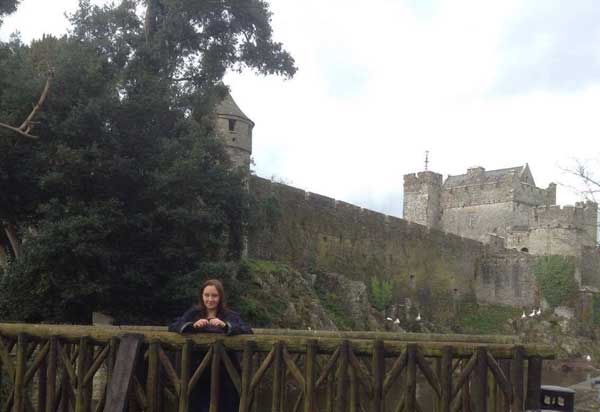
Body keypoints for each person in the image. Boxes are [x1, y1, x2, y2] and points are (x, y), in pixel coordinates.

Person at [169, 279, 252, 412]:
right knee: (197, 403)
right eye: (206, 295)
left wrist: (225, 326)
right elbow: (173, 326)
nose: (210, 299)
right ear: (201, 296)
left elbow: (247, 330)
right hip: (197, 369)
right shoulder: (194, 313)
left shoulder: (230, 315)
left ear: (220, 297)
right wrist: (192, 325)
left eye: (214, 296)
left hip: (225, 369)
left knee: (225, 404)